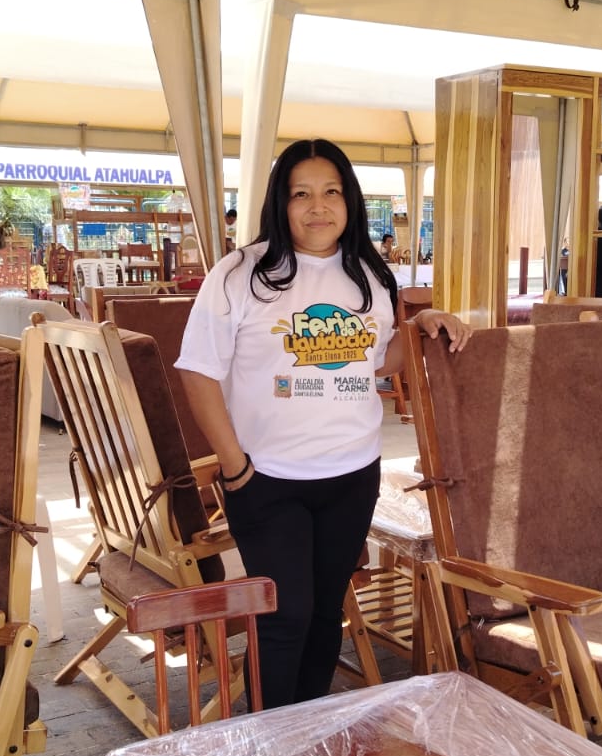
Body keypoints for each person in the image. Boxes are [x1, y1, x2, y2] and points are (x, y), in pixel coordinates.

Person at [177, 138, 470, 709]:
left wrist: (421, 325)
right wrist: (235, 467)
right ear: (280, 203)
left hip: (352, 475)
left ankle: (308, 732)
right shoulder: (242, 272)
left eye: (331, 192)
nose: (318, 206)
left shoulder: (370, 275)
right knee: (284, 617)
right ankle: (269, 740)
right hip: (267, 479)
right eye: (301, 194)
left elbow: (377, 361)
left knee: (323, 613)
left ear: (350, 200)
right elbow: (197, 370)